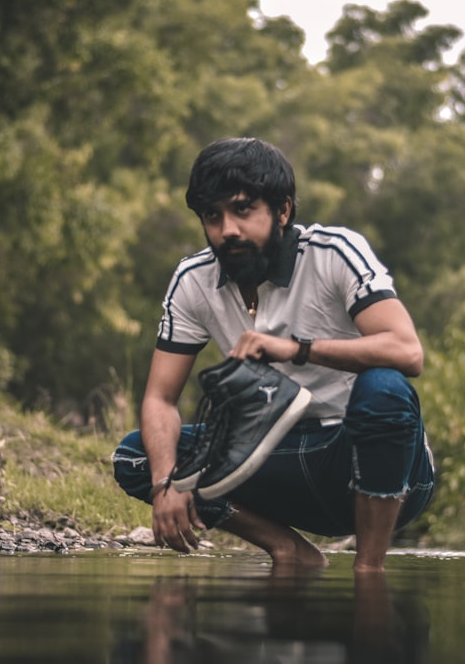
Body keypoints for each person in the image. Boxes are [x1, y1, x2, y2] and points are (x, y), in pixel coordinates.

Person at [113, 137, 435, 573]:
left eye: (243, 210)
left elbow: (407, 350)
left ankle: (369, 570)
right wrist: (165, 483)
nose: (227, 229)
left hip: (370, 463)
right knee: (137, 458)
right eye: (213, 215)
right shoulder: (193, 280)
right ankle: (288, 549)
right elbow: (160, 399)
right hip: (269, 456)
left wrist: (296, 350)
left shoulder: (334, 252)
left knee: (386, 389)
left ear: (282, 211)